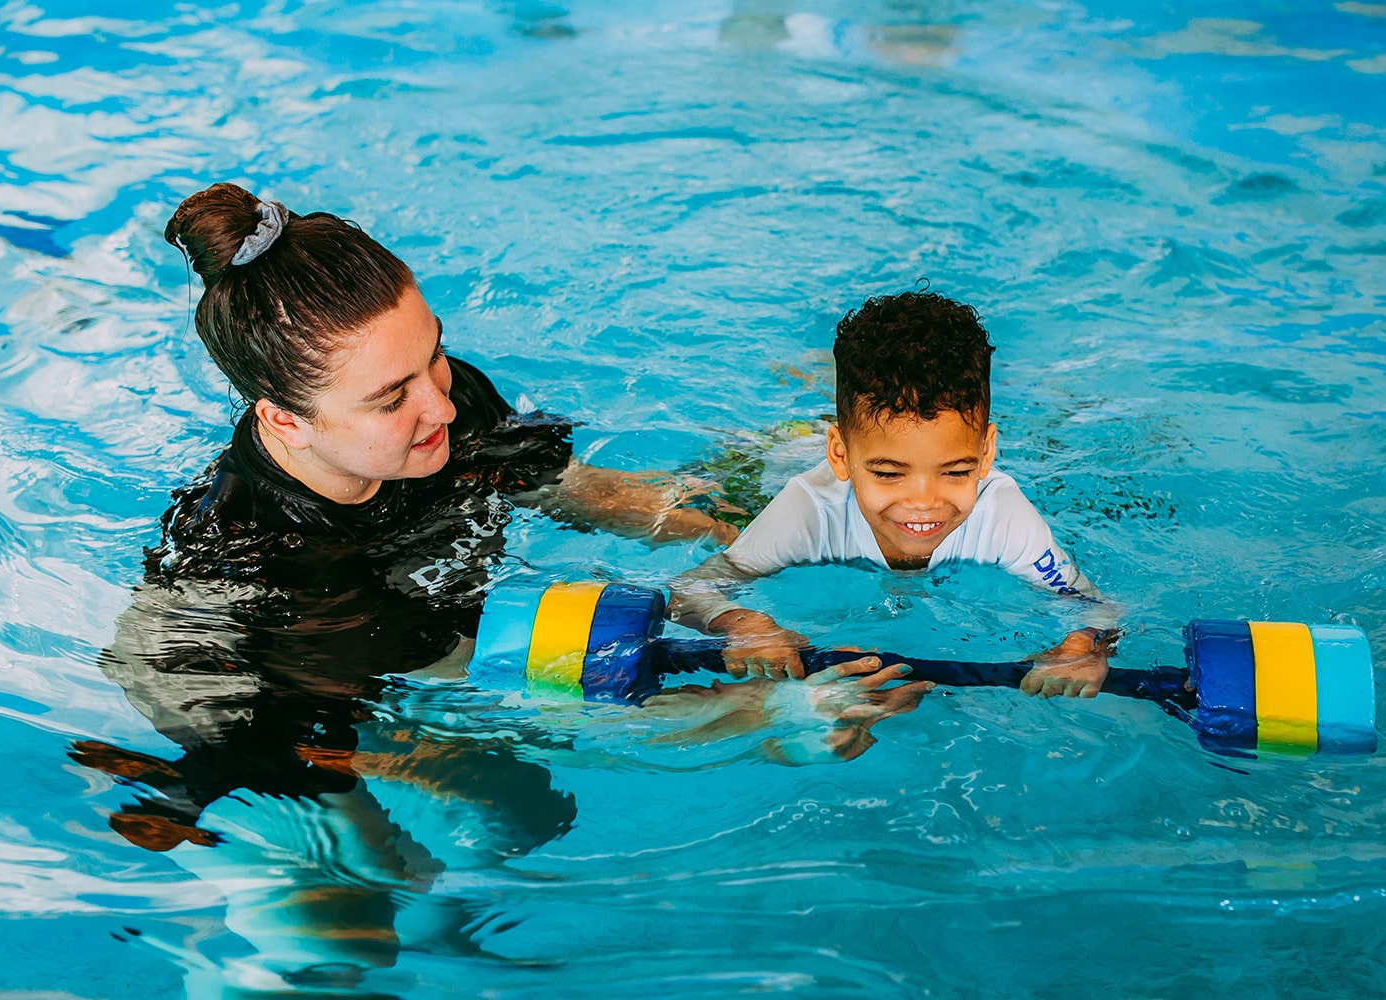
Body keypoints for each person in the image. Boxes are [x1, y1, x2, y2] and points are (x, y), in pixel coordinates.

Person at [79, 184, 929, 993]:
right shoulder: (277, 562)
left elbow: (578, 492)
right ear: (284, 421)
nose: (440, 407)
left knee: (523, 818)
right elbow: (496, 702)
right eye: (390, 399)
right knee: (343, 933)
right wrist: (758, 721)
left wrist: (762, 529)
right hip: (248, 702)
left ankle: (436, 919)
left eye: (433, 355)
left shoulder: (444, 402)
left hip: (392, 649)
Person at [669, 290, 1121, 698]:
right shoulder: (809, 508)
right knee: (674, 518)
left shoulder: (1002, 512)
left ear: (986, 453)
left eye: (956, 471)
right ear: (840, 455)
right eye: (889, 474)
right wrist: (744, 624)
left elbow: (1094, 608)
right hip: (777, 457)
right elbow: (690, 589)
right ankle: (808, 380)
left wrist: (1082, 647)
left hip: (859, 437)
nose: (923, 502)